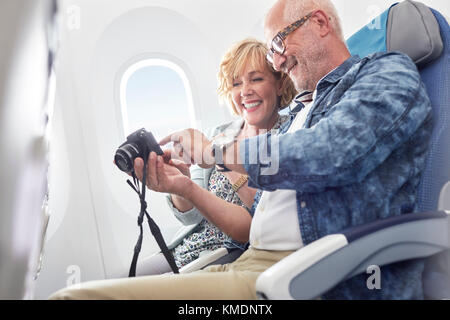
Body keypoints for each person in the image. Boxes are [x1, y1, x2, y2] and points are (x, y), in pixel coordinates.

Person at [50, 0, 432, 300]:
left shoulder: (386, 74)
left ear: (319, 23)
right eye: (272, 51)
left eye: (279, 43)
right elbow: (255, 222)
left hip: (308, 273)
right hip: (250, 263)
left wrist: (216, 154)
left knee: (73, 298)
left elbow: (329, 154)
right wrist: (183, 186)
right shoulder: (304, 110)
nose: (278, 60)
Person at [128, 38, 297, 276]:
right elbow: (190, 217)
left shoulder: (288, 136)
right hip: (188, 248)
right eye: (236, 83)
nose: (245, 91)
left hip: (232, 252)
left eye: (256, 79)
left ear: (280, 84)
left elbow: (263, 217)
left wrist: (222, 161)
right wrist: (177, 183)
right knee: (126, 277)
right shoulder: (216, 134)